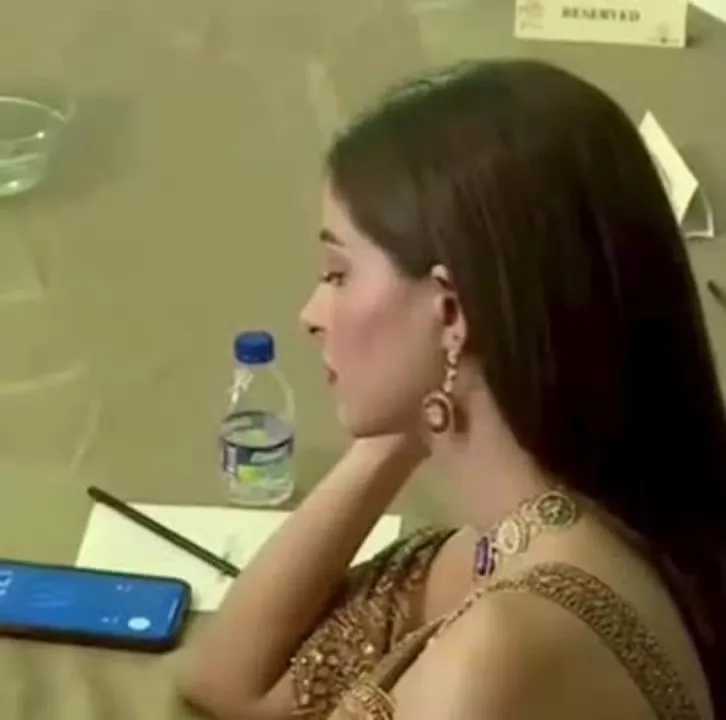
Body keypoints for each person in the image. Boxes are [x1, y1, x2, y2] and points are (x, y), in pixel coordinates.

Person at [176, 59, 726, 719]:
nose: (311, 314)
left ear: (450, 309)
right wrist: (405, 425)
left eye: (338, 273)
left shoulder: (498, 655)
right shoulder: (526, 540)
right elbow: (227, 684)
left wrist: (429, 384)